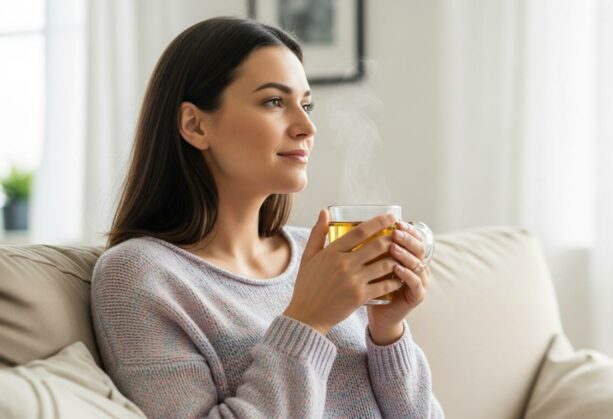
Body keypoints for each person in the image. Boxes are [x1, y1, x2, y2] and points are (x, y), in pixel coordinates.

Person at [90, 16, 444, 419]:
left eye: (305, 104)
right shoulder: (140, 277)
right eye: (274, 101)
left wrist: (388, 333)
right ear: (194, 124)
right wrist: (307, 321)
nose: (307, 126)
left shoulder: (321, 257)